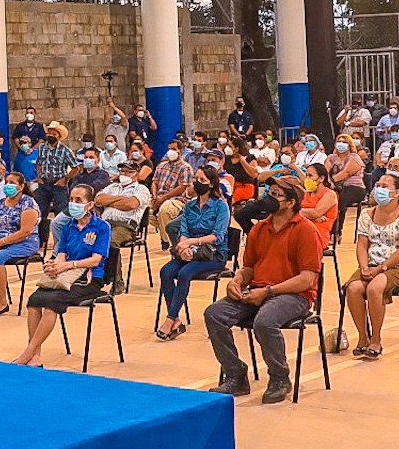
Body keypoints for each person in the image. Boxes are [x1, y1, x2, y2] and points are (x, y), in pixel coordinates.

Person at [202, 177, 322, 402]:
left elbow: (307, 279)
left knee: (265, 321)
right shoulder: (259, 229)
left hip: (294, 296)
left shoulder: (306, 230)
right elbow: (249, 267)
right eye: (269, 192)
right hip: (258, 290)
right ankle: (236, 374)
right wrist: (236, 281)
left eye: (276, 194)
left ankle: (279, 377)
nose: (269, 198)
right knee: (214, 314)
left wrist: (268, 292)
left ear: (291, 202)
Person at [12, 184, 114, 366]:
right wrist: (54, 265)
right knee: (35, 300)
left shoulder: (102, 227)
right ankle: (36, 356)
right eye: (71, 199)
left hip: (90, 279)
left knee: (52, 303)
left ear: (90, 205)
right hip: (67, 275)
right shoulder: (68, 226)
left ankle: (27, 352)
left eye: (78, 200)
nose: (73, 203)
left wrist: (67, 265)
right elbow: (61, 254)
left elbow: (95, 260)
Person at [343, 173, 399, 359]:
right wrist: (364, 266)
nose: (379, 189)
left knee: (374, 288)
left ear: (396, 193)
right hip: (372, 265)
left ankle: (376, 339)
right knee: (353, 288)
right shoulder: (367, 214)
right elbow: (362, 245)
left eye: (385, 186)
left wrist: (381, 268)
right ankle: (363, 337)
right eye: (378, 185)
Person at [155, 172, 229, 339]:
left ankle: (170, 319)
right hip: (190, 251)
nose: (197, 182)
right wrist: (183, 247)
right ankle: (176, 321)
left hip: (213, 254)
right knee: (165, 272)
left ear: (211, 184)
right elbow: (183, 230)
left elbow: (217, 236)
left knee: (184, 273)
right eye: (196, 179)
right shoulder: (189, 206)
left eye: (202, 180)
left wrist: (191, 242)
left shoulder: (221, 206)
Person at [0, 171, 41, 315]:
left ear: (21, 186)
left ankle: (3, 300)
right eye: (7, 182)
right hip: (1, 242)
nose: (8, 185)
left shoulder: (28, 203)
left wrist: (2, 242)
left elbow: (25, 231)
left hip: (25, 243)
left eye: (12, 183)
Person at [95, 162, 149, 254]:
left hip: (125, 226)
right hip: (104, 223)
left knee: (109, 241)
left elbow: (130, 204)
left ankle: (111, 264)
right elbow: (98, 200)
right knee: (86, 238)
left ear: (136, 174)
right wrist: (122, 199)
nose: (124, 174)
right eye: (122, 171)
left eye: (129, 172)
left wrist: (109, 202)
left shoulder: (141, 189)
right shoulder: (112, 186)